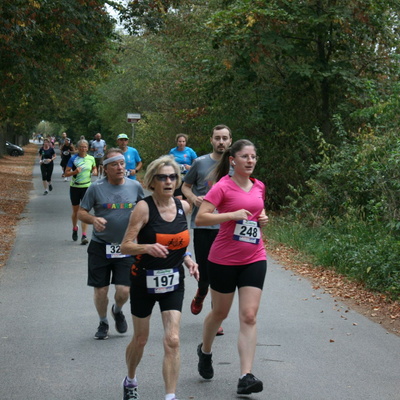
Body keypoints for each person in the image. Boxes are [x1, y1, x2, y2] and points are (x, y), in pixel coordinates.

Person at [120, 155, 199, 400]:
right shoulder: (144, 208)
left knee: (172, 339)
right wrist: (146, 247)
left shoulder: (183, 207)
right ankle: (130, 379)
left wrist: (188, 258)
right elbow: (125, 246)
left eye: (173, 177)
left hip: (173, 281)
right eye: (162, 177)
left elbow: (178, 242)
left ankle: (170, 396)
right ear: (152, 181)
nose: (168, 181)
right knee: (140, 339)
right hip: (143, 280)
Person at [194, 139, 269, 396]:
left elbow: (257, 213)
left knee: (249, 315)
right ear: (232, 160)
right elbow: (201, 218)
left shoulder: (259, 186)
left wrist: (263, 219)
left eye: (253, 156)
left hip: (254, 257)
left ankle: (246, 376)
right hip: (223, 260)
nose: (250, 161)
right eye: (245, 156)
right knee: (220, 313)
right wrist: (230, 215)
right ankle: (205, 351)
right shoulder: (222, 187)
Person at [77, 148, 145, 340]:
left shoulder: (135, 186)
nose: (120, 167)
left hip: (126, 246)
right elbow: (81, 212)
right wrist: (93, 219)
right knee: (101, 290)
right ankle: (103, 322)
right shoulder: (95, 188)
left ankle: (117, 310)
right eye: (114, 164)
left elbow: (146, 210)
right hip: (100, 245)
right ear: (105, 169)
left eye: (122, 163)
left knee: (124, 291)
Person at [181, 124, 232, 336]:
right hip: (203, 225)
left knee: (221, 273)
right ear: (211, 140)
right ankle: (201, 291)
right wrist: (193, 198)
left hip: (227, 226)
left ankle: (215, 316)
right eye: (217, 138)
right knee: (205, 273)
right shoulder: (200, 163)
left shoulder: (235, 164)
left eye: (225, 138)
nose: (221, 142)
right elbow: (185, 186)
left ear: (230, 141)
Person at [64, 139, 97, 245]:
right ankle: (75, 228)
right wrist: (75, 172)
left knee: (84, 212)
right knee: (76, 211)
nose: (83, 149)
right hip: (75, 187)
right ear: (78, 148)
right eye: (81, 147)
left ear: (88, 148)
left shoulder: (91, 158)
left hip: (86, 187)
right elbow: (66, 173)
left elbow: (94, 168)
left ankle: (84, 235)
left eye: (85, 147)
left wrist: (95, 171)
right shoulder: (73, 159)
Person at [169, 133, 197, 199]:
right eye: (180, 141)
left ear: (186, 142)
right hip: (177, 177)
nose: (181, 143)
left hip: (187, 177)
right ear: (177, 142)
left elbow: (197, 163)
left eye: (183, 141)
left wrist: (190, 167)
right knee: (178, 198)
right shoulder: (172, 151)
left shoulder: (190, 151)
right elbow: (169, 163)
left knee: (186, 199)